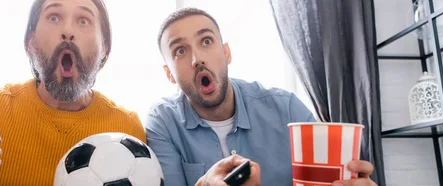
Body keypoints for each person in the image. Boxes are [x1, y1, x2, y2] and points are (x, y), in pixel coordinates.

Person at [0, 0, 146, 185]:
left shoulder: (128, 127)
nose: (67, 31)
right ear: (30, 41)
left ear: (104, 47)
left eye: (83, 20)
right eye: (54, 17)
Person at [145, 7, 378, 186]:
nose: (197, 59)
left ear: (226, 53)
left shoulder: (286, 109)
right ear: (169, 74)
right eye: (180, 51)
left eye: (206, 41)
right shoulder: (163, 123)